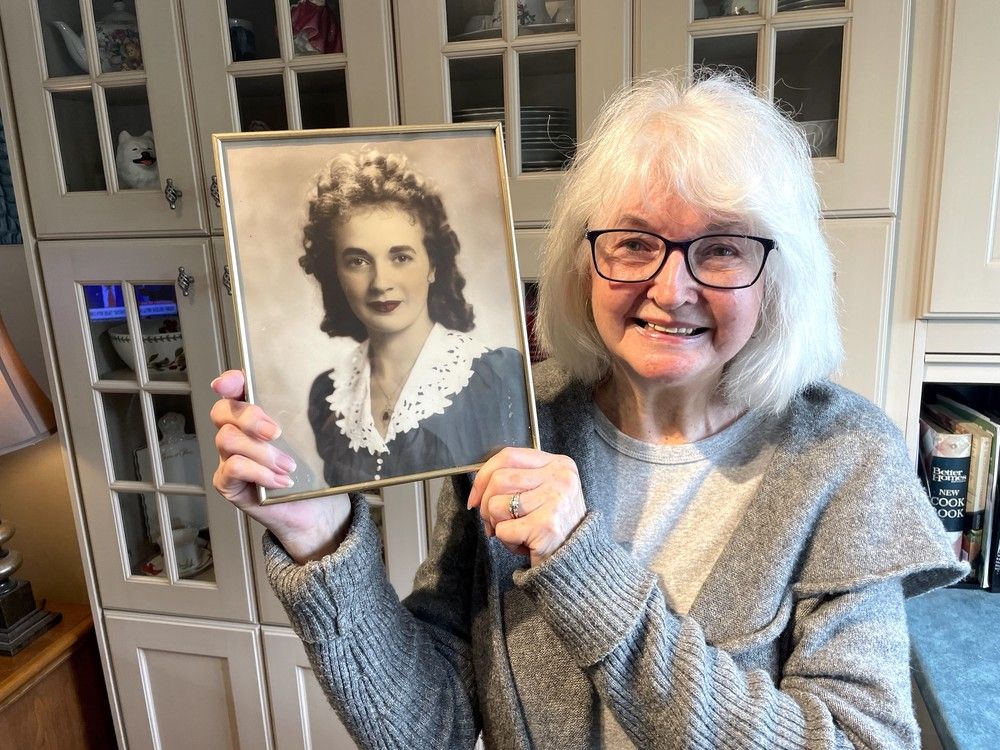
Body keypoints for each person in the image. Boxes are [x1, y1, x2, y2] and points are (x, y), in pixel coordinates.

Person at [210, 70, 965, 749]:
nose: (671, 291)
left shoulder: (843, 456)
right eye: (635, 244)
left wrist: (582, 567)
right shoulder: (512, 419)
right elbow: (430, 729)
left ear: (778, 274)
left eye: (724, 248)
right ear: (583, 261)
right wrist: (320, 541)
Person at [295, 148, 529, 487]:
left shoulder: (495, 377)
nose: (380, 283)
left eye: (400, 257)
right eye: (358, 261)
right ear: (335, 273)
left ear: (433, 265)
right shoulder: (328, 395)